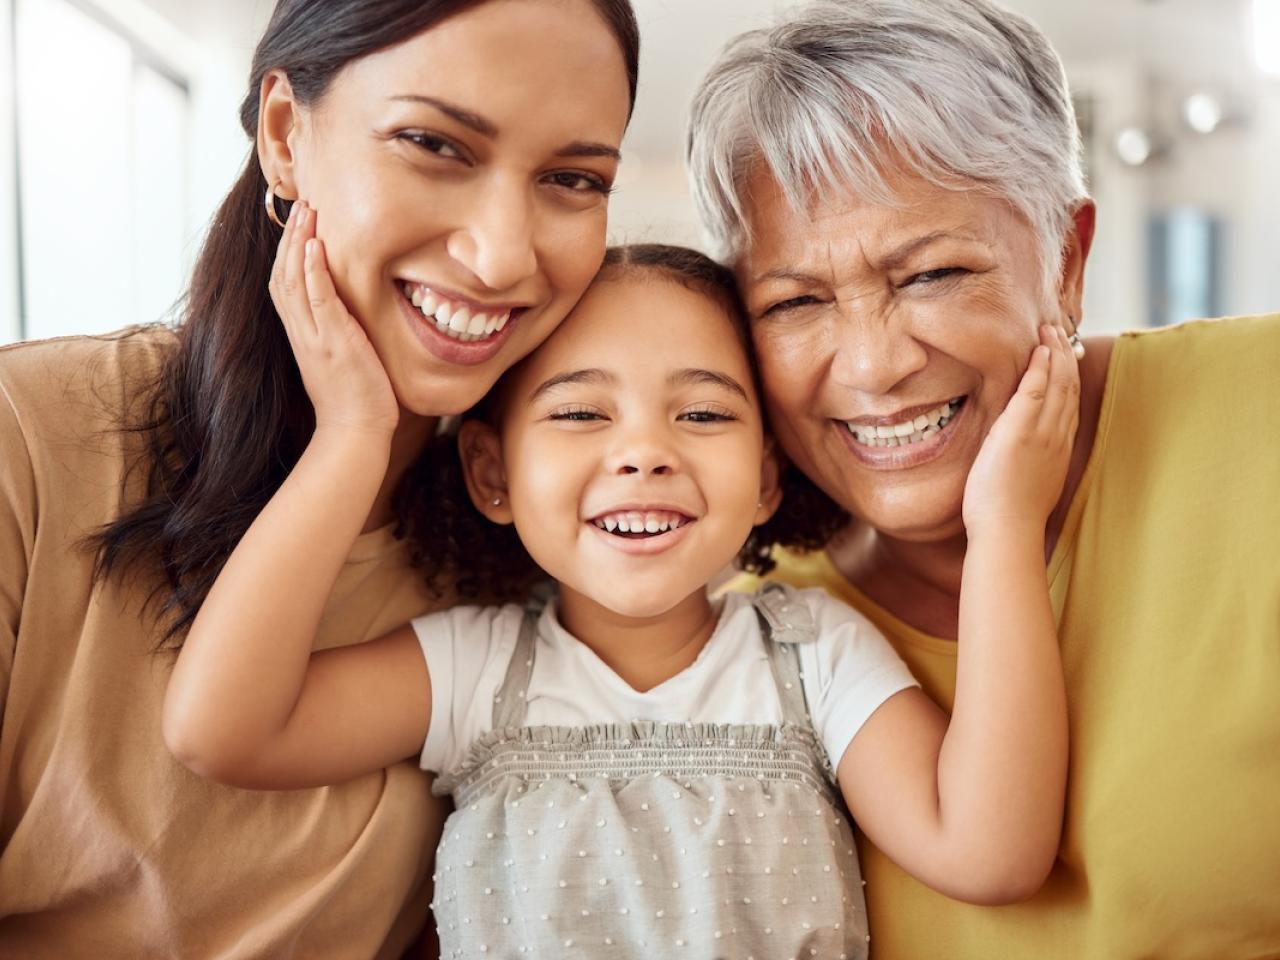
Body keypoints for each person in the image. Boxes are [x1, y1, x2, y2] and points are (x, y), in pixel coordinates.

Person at [163, 243, 1079, 959]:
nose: (645, 451)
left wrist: (1001, 523)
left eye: (705, 414)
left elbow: (989, 851)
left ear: (765, 479)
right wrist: (353, 437)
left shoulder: (812, 657)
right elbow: (222, 729)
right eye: (580, 413)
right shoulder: (475, 670)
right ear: (491, 472)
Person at [0, 0, 639, 955]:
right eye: (435, 143)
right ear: (286, 135)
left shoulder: (562, 540)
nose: (505, 253)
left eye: (573, 178)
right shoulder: (29, 435)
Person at [687, 0, 1280, 956]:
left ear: (1067, 262)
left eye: (930, 276)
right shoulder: (745, 639)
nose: (874, 365)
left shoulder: (1261, 410)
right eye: (796, 300)